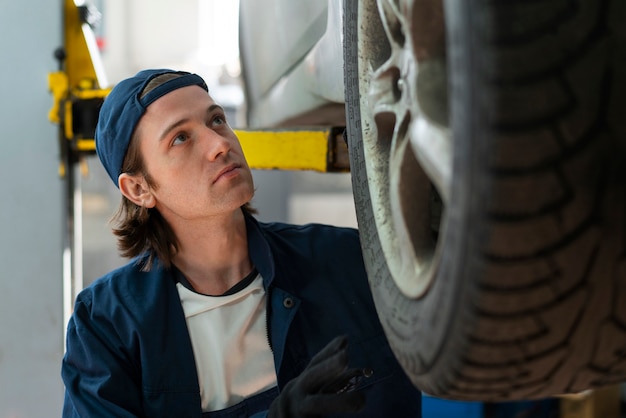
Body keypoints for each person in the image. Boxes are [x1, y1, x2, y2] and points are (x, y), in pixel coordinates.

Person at [61, 69, 422, 417]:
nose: (220, 144)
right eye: (181, 138)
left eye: (216, 120)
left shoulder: (349, 261)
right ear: (139, 189)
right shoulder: (107, 328)